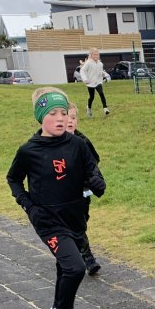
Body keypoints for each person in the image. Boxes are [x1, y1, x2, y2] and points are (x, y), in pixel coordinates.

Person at [7, 87, 105, 309]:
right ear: (41, 117)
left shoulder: (78, 144)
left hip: (74, 215)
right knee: (75, 267)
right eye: (53, 113)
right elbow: (14, 179)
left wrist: (96, 182)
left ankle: (57, 307)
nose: (60, 118)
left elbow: (91, 169)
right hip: (48, 220)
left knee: (66, 264)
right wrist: (29, 206)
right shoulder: (29, 150)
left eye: (63, 113)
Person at [65, 104, 102, 275]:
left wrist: (92, 177)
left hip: (83, 190)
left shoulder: (83, 141)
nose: (70, 121)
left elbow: (94, 161)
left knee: (81, 221)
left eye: (73, 118)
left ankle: (75, 247)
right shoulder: (52, 143)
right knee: (74, 224)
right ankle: (88, 259)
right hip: (63, 193)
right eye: (67, 117)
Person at [80, 48, 109, 117]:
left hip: (98, 82)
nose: (96, 56)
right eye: (94, 55)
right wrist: (85, 79)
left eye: (97, 55)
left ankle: (105, 108)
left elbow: (101, 71)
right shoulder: (88, 63)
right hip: (90, 83)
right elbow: (82, 70)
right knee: (91, 97)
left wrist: (103, 74)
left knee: (101, 93)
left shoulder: (100, 64)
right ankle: (89, 108)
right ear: (91, 55)